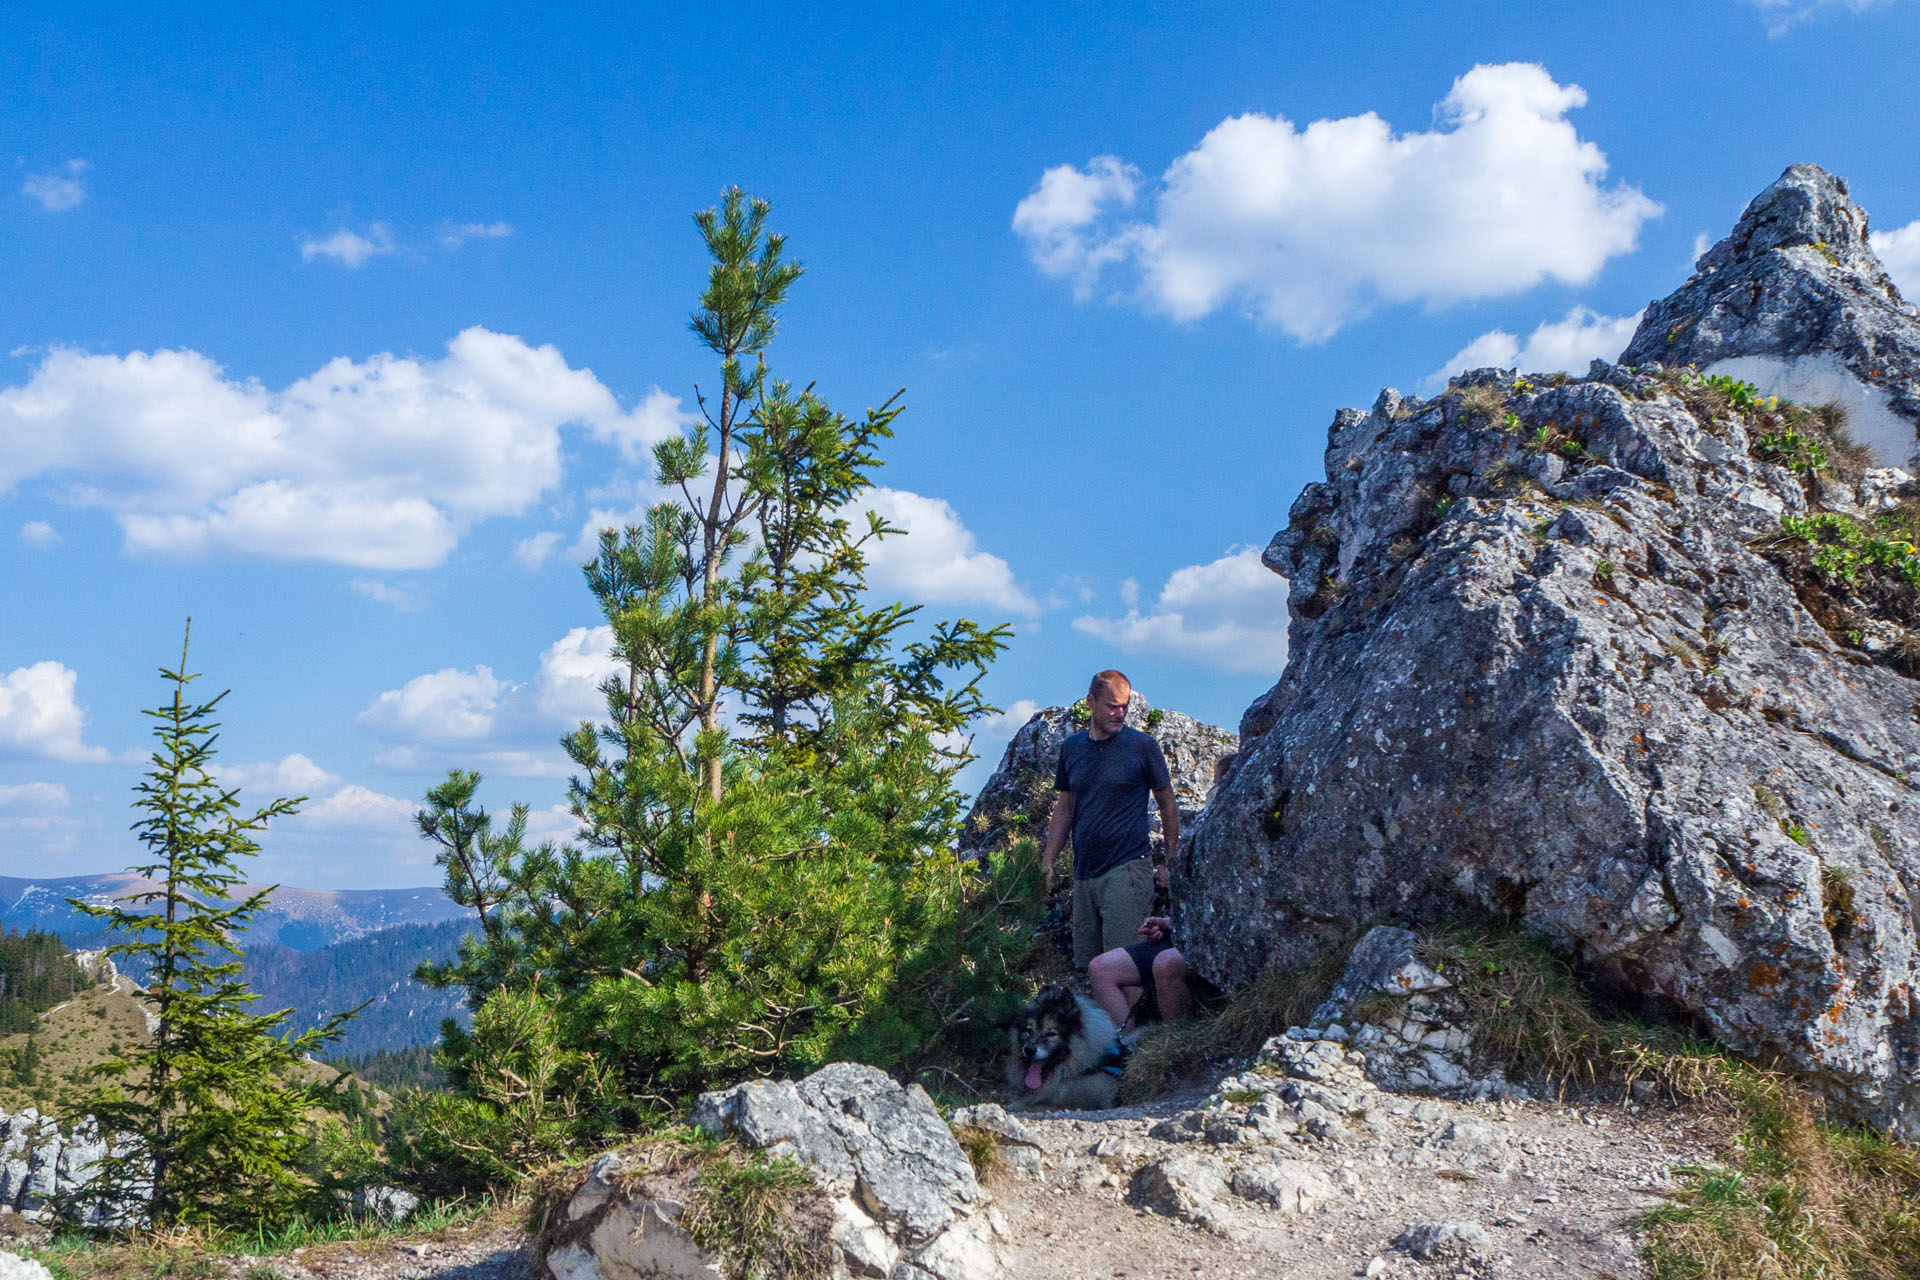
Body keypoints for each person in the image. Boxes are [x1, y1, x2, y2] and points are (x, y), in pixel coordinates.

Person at [1042, 669, 1179, 971]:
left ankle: (1137, 1021)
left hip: (1127, 868)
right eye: (1113, 706)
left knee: (1124, 968)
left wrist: (1170, 862)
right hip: (1084, 873)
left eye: (1125, 706)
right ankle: (1108, 1021)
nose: (1120, 713)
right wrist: (1048, 861)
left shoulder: (1142, 746)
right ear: (1091, 701)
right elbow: (1064, 808)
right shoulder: (1072, 748)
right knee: (1088, 970)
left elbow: (1168, 805)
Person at [1088, 914, 1190, 1032]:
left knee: (1165, 964)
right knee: (1100, 968)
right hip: (1176, 935)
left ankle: (1175, 1041)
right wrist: (1165, 923)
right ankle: (1127, 1044)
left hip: (1203, 941)